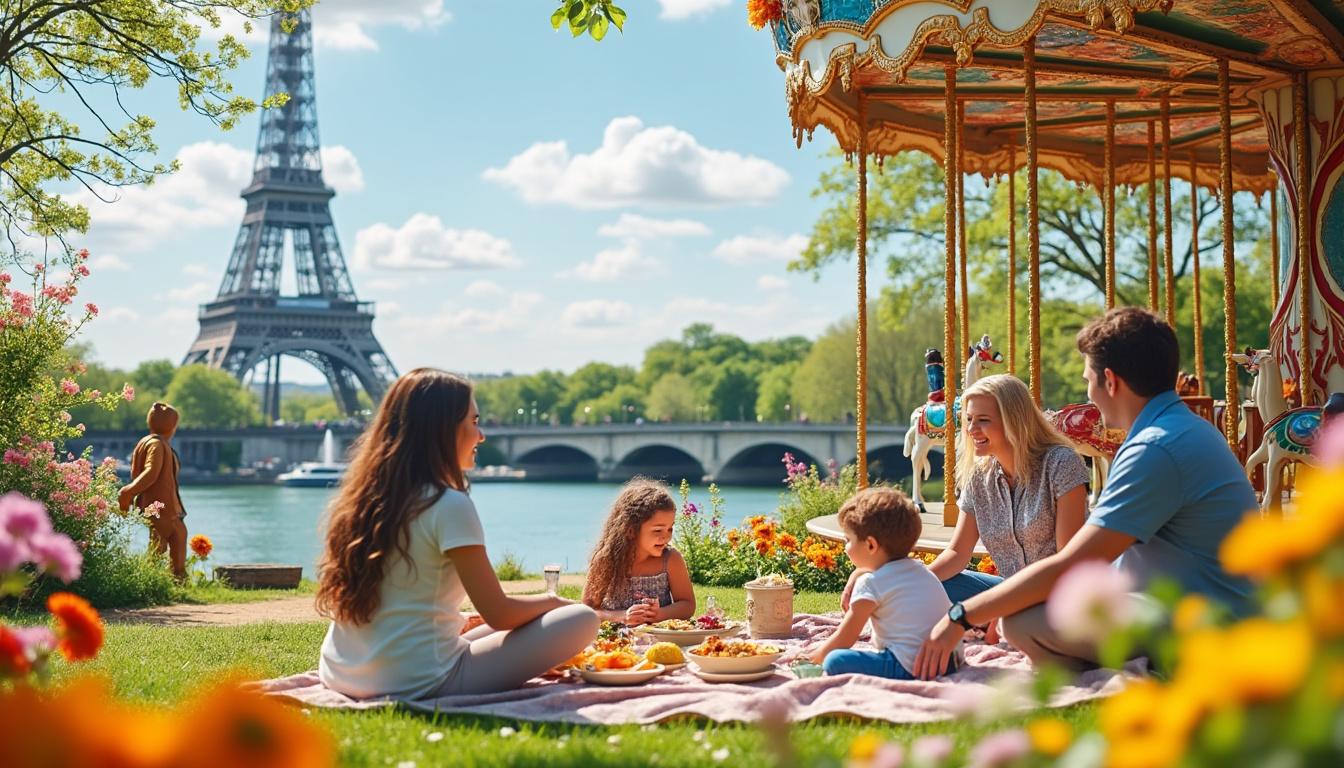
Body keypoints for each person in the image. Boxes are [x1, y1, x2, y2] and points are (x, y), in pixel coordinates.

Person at [913, 308, 1257, 677]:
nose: (1088, 394)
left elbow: (1075, 563)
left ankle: (1105, 674)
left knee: (1021, 621)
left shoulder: (1153, 449)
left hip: (1207, 626)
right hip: (1202, 609)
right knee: (1015, 609)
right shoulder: (1178, 431)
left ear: (1110, 381)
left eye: (1088, 381)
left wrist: (961, 616)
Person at [316, 368, 598, 699]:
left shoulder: (365, 499)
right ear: (444, 429)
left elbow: (399, 598)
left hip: (340, 672)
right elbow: (500, 613)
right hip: (415, 681)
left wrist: (460, 619)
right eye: (474, 421)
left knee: (486, 625)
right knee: (581, 618)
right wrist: (551, 601)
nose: (482, 436)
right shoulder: (448, 504)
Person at [929, 374, 1088, 630]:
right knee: (932, 584)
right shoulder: (979, 476)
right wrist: (912, 584)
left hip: (1059, 595)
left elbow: (1068, 561)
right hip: (1009, 592)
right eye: (969, 419)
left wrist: (1001, 607)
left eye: (983, 420)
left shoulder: (1061, 463)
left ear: (1014, 420)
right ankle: (995, 620)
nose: (971, 429)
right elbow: (957, 553)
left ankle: (998, 621)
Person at [808, 487, 956, 679]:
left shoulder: (870, 583)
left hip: (912, 666)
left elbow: (846, 637)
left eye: (848, 540)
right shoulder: (921, 571)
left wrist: (814, 658)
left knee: (834, 660)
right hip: (950, 661)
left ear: (871, 545)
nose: (845, 548)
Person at [582, 478, 696, 624]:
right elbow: (587, 611)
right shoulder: (606, 560)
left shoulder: (671, 559)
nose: (666, 536)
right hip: (615, 637)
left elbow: (687, 605)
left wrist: (660, 614)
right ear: (631, 530)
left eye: (670, 529)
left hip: (658, 637)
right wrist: (621, 617)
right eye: (658, 530)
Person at [117, 402, 187, 580]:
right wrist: (128, 492)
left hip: (168, 506)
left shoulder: (153, 443)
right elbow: (151, 472)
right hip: (159, 505)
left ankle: (170, 578)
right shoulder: (156, 445)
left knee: (175, 536)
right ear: (173, 426)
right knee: (163, 541)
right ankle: (160, 579)